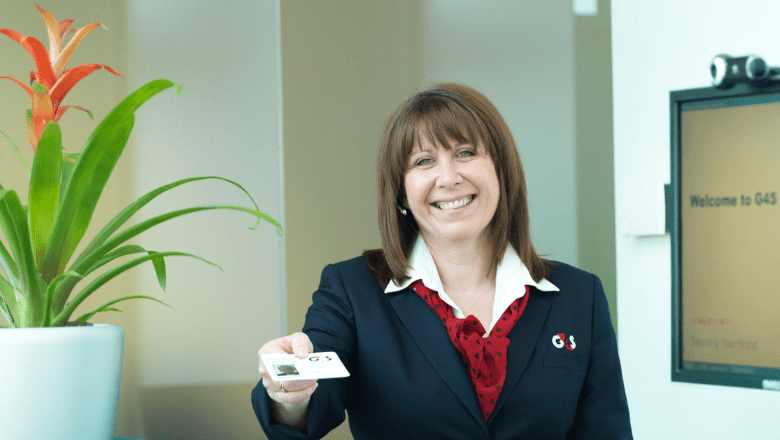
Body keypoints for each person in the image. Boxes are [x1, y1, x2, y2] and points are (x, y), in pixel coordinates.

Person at [252, 83, 633, 439]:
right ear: (400, 192)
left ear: (501, 171)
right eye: (423, 161)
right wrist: (289, 390)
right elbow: (305, 416)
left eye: (465, 153)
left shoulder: (580, 296)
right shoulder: (352, 290)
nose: (448, 178)